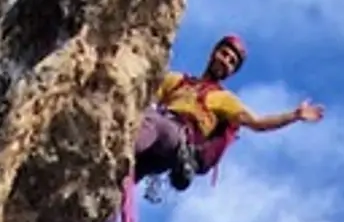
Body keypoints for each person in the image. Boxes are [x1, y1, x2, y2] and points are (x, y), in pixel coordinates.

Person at [132, 34, 324, 189]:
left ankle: (125, 142)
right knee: (126, 174)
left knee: (151, 124)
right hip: (159, 140)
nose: (226, 61)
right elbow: (147, 96)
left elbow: (258, 123)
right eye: (224, 54)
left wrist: (294, 115)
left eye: (232, 62)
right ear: (213, 53)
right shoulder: (178, 81)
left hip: (177, 137)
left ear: (231, 72)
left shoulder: (225, 100)